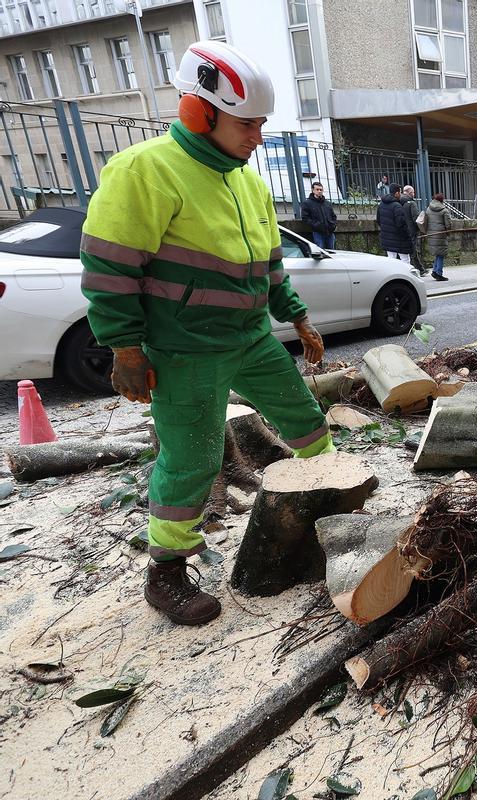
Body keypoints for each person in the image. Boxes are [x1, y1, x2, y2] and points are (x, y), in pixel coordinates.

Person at [80, 40, 334, 626]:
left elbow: (270, 264)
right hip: (185, 348)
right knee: (191, 459)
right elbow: (110, 268)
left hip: (250, 338)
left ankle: (323, 511)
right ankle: (166, 571)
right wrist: (124, 347)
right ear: (202, 112)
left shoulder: (248, 184)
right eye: (248, 124)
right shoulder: (144, 171)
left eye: (262, 123)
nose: (258, 137)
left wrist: (296, 316)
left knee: (308, 424)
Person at [377, 183, 418, 267]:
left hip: (387, 238)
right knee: (405, 261)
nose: (401, 194)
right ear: (396, 193)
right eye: (400, 192)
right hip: (399, 239)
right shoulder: (397, 206)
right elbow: (401, 224)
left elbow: (379, 220)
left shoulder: (381, 205)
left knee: (391, 261)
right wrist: (408, 235)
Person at [301, 180, 337, 250]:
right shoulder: (307, 203)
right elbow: (305, 218)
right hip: (318, 233)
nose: (319, 191)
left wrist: (333, 225)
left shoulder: (327, 203)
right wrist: (316, 225)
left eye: (321, 190)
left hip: (330, 232)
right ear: (313, 190)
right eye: (317, 189)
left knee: (332, 252)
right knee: (320, 252)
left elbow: (333, 216)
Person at [400, 185, 427, 275]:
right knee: (413, 250)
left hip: (401, 229)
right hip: (412, 230)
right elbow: (417, 218)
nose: (414, 194)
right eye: (413, 192)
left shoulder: (398, 202)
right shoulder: (412, 203)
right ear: (410, 193)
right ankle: (420, 269)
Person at [424, 192, 450, 281]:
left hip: (431, 235)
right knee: (441, 254)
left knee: (437, 254)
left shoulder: (428, 209)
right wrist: (448, 232)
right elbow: (448, 224)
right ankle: (439, 273)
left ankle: (435, 271)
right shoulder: (444, 210)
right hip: (441, 235)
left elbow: (425, 221)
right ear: (441, 200)